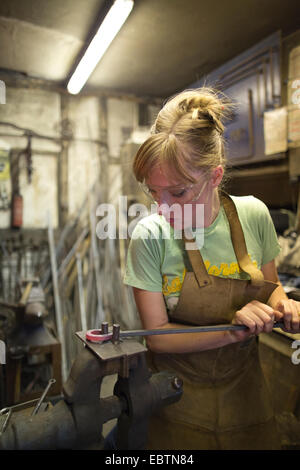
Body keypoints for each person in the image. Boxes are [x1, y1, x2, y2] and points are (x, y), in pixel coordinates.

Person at [123, 87, 300, 450]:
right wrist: (233, 330)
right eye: (154, 193)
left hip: (248, 397)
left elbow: (271, 287)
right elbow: (156, 336)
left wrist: (284, 306)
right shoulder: (149, 236)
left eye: (178, 192)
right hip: (176, 403)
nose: (163, 208)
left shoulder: (254, 214)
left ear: (215, 176)